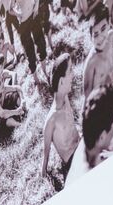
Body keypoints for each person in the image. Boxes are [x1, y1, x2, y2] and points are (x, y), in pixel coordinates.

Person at [41, 54, 78, 192]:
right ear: (61, 81)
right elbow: (45, 160)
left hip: (82, 147)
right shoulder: (51, 120)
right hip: (73, 163)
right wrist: (45, 182)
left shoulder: (66, 98)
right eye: (70, 71)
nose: (73, 75)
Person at [83, 7, 113, 110]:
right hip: (99, 107)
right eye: (95, 35)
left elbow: (112, 65)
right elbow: (87, 97)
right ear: (91, 38)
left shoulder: (111, 37)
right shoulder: (91, 63)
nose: (101, 37)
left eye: (103, 29)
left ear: (109, 25)